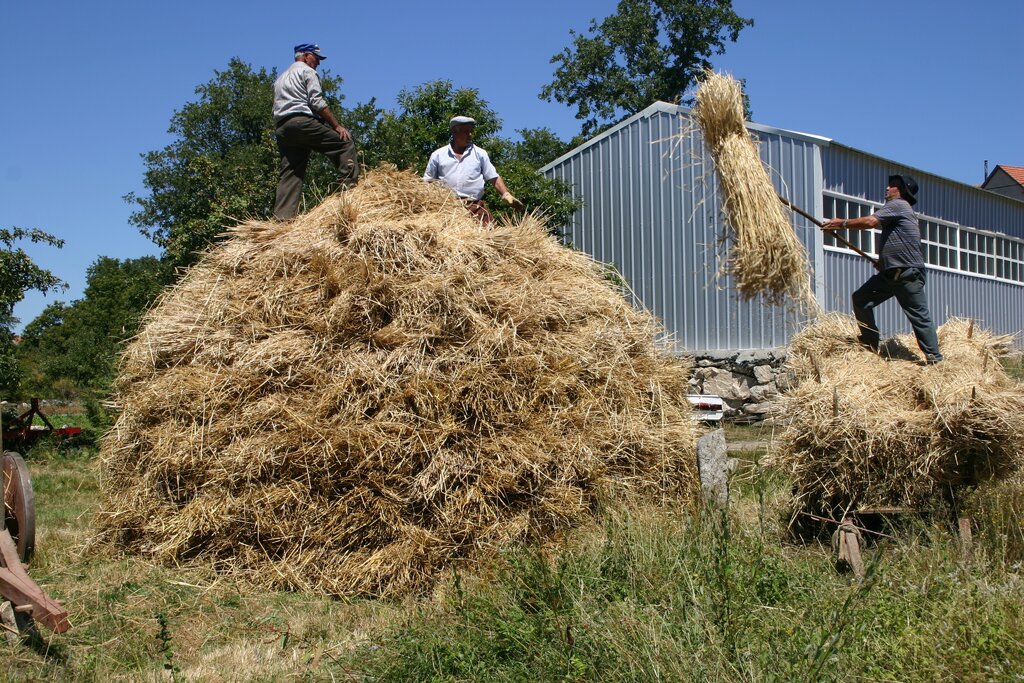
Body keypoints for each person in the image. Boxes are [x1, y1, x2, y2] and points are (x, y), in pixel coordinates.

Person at [822, 174, 943, 363]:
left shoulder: (899, 205)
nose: (887, 188)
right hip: (892, 272)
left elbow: (870, 222)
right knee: (861, 299)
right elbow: (900, 241)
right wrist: (884, 262)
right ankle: (869, 344)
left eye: (893, 185)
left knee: (919, 315)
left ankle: (935, 359)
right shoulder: (898, 211)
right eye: (889, 184)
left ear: (902, 191)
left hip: (906, 273)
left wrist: (842, 223)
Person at [272, 43, 359, 220]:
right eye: (316, 57)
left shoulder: (280, 78)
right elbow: (317, 102)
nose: (318, 62)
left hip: (283, 128)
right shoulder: (307, 71)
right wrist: (337, 126)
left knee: (292, 172)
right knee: (344, 144)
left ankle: (283, 218)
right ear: (304, 56)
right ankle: (349, 195)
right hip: (301, 122)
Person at [423, 116, 522, 224]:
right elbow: (428, 182)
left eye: (471, 131)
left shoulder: (480, 154)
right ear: (455, 132)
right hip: (446, 208)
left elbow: (493, 177)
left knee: (490, 236)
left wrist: (506, 194)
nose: (470, 135)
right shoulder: (438, 155)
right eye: (466, 131)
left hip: (474, 207)